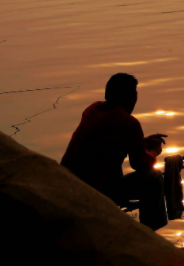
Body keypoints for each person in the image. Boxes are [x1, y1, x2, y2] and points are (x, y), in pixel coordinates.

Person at [61, 73, 169, 230]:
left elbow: (108, 142)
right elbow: (139, 164)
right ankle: (150, 234)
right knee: (155, 177)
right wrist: (153, 152)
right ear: (129, 98)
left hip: (70, 183)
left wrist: (142, 142)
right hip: (99, 191)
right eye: (134, 97)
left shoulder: (93, 110)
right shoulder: (128, 122)